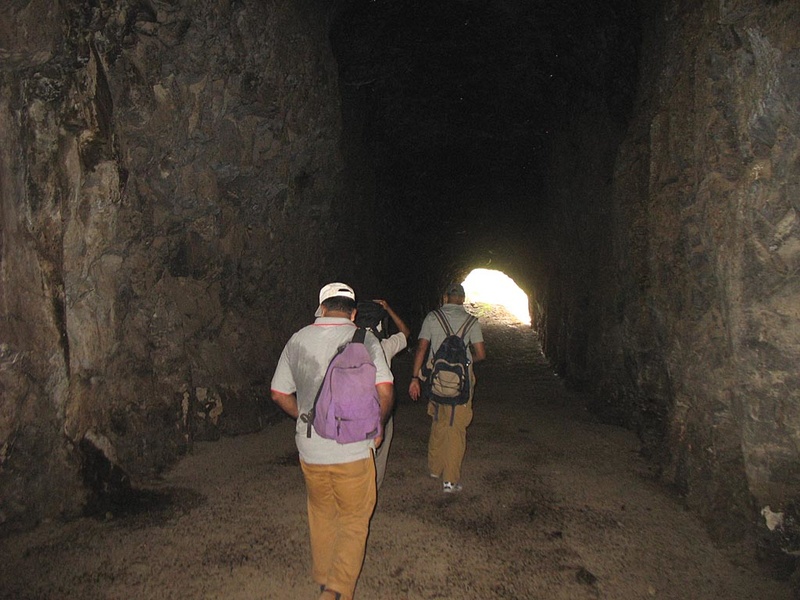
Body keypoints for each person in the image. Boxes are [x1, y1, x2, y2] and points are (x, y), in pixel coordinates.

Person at [271, 282, 395, 600]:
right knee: (354, 519)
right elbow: (385, 390)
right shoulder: (366, 339)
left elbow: (278, 392)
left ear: (322, 308)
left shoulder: (298, 339)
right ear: (353, 313)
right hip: (354, 447)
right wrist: (377, 426)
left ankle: (325, 579)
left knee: (322, 512)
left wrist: (303, 415)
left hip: (311, 448)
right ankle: (337, 590)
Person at [408, 283, 486, 494]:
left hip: (436, 377)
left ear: (445, 297)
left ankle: (435, 468)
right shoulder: (471, 322)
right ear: (462, 299)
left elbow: (422, 348)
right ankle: (450, 480)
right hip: (461, 381)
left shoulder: (432, 318)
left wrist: (415, 377)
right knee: (456, 427)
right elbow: (481, 353)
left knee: (438, 420)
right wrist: (465, 364)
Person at [356, 299, 411, 490]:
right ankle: (372, 490)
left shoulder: (345, 344)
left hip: (352, 411)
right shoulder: (384, 346)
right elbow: (405, 333)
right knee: (380, 452)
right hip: (380, 409)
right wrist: (389, 308)